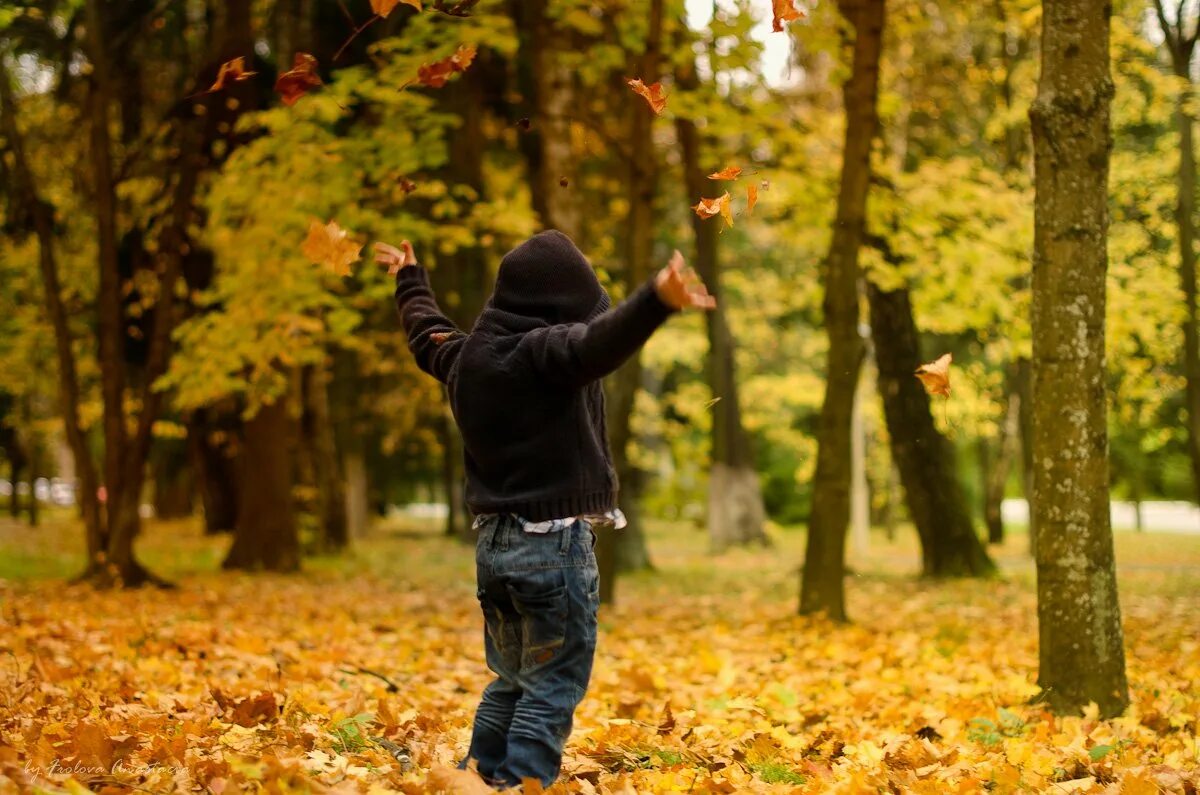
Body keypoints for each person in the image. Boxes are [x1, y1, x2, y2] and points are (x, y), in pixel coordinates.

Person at [376, 230, 715, 791]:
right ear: (558, 310)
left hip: (494, 550)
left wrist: (411, 280)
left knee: (509, 679)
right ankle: (521, 783)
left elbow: (425, 334)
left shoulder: (466, 358)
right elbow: (596, 345)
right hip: (552, 549)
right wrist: (654, 301)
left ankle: (479, 778)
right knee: (553, 683)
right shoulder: (543, 355)